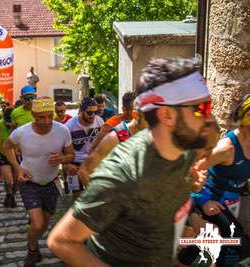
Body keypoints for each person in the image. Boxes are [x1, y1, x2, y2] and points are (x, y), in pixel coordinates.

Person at [47, 57, 216, 266]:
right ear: (167, 115)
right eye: (201, 108)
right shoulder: (123, 174)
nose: (209, 117)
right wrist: (111, 210)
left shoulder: (186, 149)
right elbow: (62, 241)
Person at [179, 94, 250, 266]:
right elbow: (188, 175)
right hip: (212, 203)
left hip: (235, 202)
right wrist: (203, 201)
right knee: (239, 246)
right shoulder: (226, 148)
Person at [3, 97, 74, 267]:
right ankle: (32, 249)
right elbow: (6, 147)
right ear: (33, 115)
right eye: (41, 117)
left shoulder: (62, 130)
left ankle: (34, 239)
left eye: (49, 116)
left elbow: (71, 155)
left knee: (45, 223)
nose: (46, 121)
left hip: (51, 182)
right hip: (29, 182)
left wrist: (62, 158)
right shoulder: (22, 132)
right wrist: (17, 167)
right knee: (38, 222)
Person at [78, 108, 148, 186]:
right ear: (136, 115)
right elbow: (84, 171)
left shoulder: (149, 136)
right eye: (152, 120)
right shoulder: (115, 138)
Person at [64, 97, 104, 197]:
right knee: (77, 196)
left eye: (96, 112)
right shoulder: (69, 126)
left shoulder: (100, 122)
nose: (93, 116)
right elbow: (60, 148)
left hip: (92, 161)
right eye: (89, 113)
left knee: (96, 194)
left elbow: (103, 142)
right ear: (81, 111)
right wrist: (67, 165)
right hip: (75, 164)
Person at [0, 107, 17, 208]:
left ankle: (12, 195)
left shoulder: (17, 125)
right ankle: (9, 194)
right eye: (7, 121)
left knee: (16, 182)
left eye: (11, 121)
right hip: (3, 155)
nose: (9, 124)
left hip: (16, 156)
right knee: (9, 180)